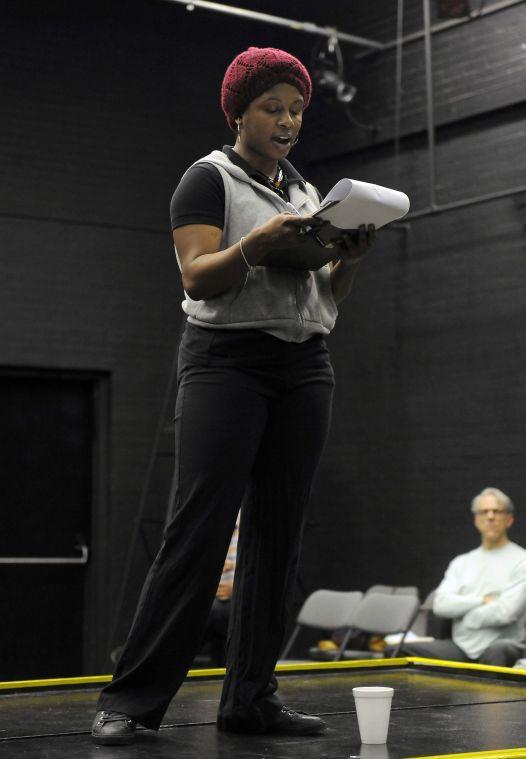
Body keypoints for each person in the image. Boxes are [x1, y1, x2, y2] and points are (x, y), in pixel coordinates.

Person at [91, 46, 375, 746]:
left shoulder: (308, 193)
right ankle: (130, 700)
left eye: (296, 110)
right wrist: (256, 244)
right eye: (272, 108)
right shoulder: (206, 179)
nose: (286, 121)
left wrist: (348, 263)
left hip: (305, 364)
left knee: (279, 533)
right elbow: (196, 277)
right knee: (199, 528)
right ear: (239, 113)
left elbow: (325, 295)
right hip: (228, 362)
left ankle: (252, 695)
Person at [402, 487, 526, 667]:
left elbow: (505, 613)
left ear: (509, 519)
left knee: (497, 651)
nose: (490, 516)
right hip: (461, 647)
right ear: (476, 519)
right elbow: (441, 605)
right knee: (401, 652)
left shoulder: (521, 560)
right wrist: (483, 600)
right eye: (484, 511)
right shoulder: (461, 562)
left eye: (497, 511)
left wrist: (466, 617)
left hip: (501, 645)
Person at [202, 519, 239, 667]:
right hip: (214, 597)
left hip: (238, 599)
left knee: (214, 612)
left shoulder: (252, 534)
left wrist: (236, 588)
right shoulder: (214, 531)